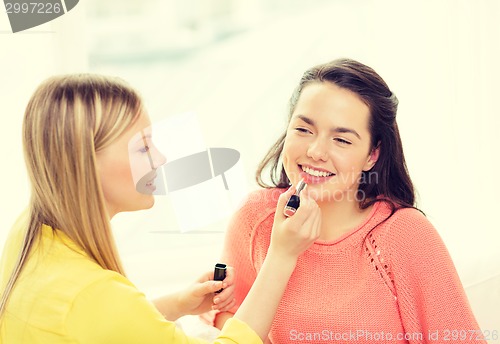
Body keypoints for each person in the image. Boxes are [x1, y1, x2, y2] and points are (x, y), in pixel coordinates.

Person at [0, 74, 321, 343]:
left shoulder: (29, 232)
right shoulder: (95, 293)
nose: (160, 159)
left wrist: (178, 303)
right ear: (84, 162)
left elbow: (96, 326)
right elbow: (100, 309)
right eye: (142, 147)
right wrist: (281, 256)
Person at [210, 58, 486, 343]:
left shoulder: (405, 234)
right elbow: (225, 314)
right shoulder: (256, 219)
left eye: (341, 140)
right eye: (303, 130)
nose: (316, 151)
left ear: (372, 155)